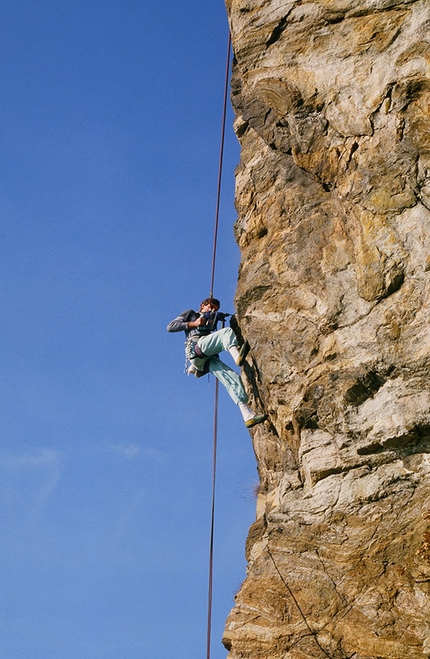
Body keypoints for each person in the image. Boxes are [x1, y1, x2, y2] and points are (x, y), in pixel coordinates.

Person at [167, 297, 267, 428]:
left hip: (206, 358)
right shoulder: (191, 314)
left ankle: (247, 416)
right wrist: (193, 324)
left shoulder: (211, 318)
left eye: (215, 309)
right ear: (202, 305)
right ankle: (237, 357)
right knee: (226, 332)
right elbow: (171, 326)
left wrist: (220, 317)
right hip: (196, 347)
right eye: (211, 307)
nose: (213, 310)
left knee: (232, 378)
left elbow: (216, 320)